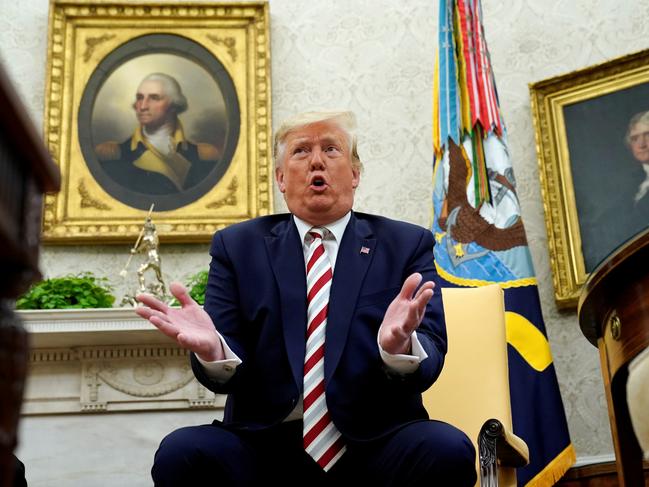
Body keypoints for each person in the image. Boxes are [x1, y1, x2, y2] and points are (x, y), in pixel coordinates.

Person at [135, 110, 477, 486]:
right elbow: (223, 368)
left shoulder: (405, 244)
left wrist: (399, 348)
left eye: (331, 149)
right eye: (301, 151)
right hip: (264, 447)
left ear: (355, 173)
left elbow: (432, 352)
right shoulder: (237, 247)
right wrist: (215, 352)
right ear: (281, 178)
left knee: (446, 448)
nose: (317, 160)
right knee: (182, 452)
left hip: (374, 443)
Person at [95, 72, 219, 195]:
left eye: (154, 98)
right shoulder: (114, 155)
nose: (142, 106)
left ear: (174, 105)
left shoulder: (203, 155)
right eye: (140, 98)